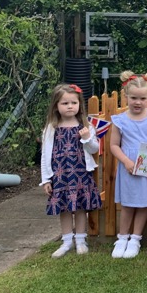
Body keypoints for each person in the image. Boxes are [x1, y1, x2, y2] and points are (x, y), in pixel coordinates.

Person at [109, 72, 147, 259]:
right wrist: (126, 161)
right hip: (129, 166)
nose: (137, 102)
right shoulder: (120, 120)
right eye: (133, 98)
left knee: (143, 203)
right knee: (128, 203)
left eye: (142, 98)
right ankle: (122, 238)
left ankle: (135, 238)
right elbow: (113, 145)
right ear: (125, 96)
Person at [40, 83, 102, 258]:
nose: (69, 106)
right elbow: (45, 155)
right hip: (60, 175)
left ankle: (81, 240)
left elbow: (94, 149)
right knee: (65, 208)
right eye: (64, 103)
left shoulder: (85, 126)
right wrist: (46, 179)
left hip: (80, 173)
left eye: (73, 103)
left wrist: (87, 139)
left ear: (79, 105)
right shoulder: (51, 128)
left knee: (81, 207)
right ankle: (67, 241)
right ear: (56, 106)